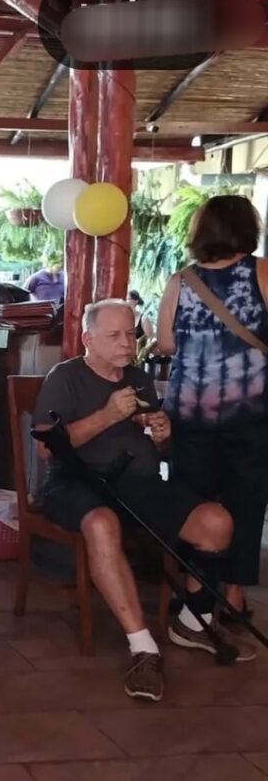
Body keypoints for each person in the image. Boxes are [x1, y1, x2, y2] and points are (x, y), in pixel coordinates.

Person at [34, 299, 255, 703]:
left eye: (130, 333)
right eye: (114, 335)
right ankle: (143, 648)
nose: (126, 343)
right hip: (76, 483)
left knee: (216, 522)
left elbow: (159, 448)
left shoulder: (138, 378)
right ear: (88, 339)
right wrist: (107, 415)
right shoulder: (65, 377)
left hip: (139, 484)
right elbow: (46, 449)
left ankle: (193, 622)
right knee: (102, 523)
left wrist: (163, 435)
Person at [158, 195, 268, 621]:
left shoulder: (182, 280)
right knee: (246, 502)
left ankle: (196, 592)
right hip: (249, 413)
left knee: (193, 501)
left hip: (190, 414)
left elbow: (166, 344)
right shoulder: (261, 272)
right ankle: (234, 598)